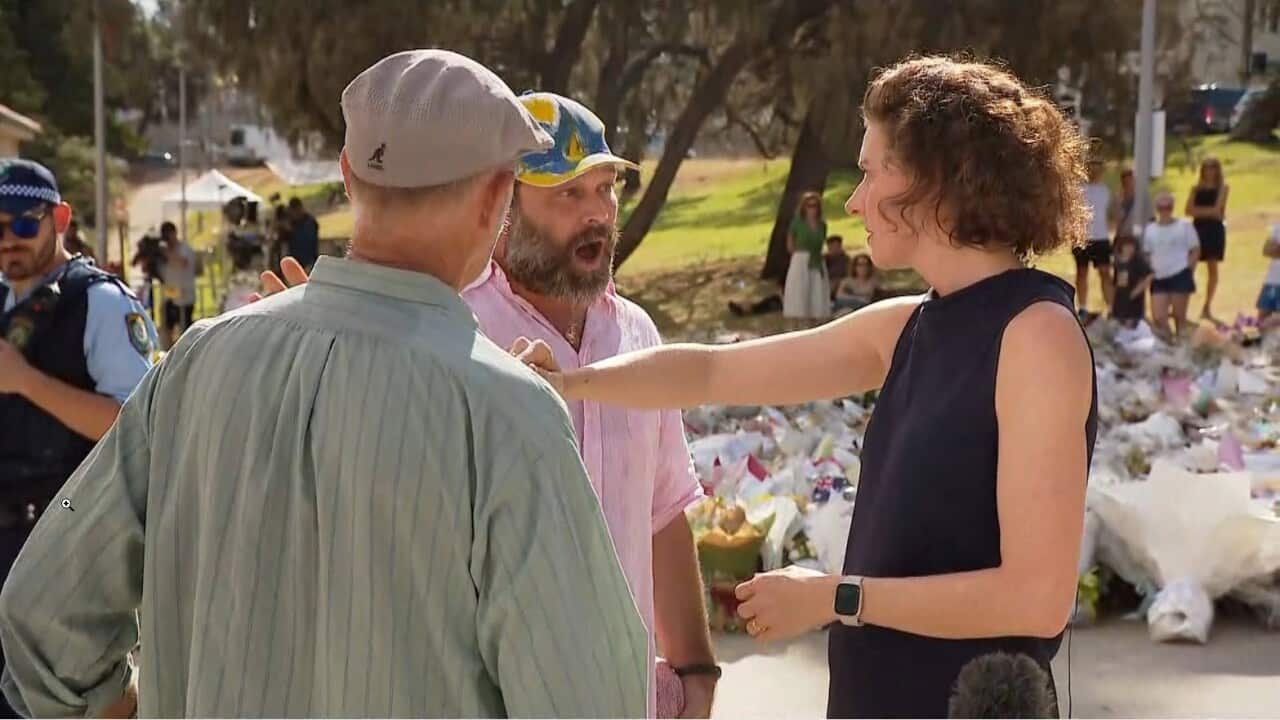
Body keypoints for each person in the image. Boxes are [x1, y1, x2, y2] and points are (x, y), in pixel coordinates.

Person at [0, 50, 647, 718]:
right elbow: (595, 698)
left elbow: (41, 612)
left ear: (348, 175)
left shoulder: (196, 364)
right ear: (495, 198)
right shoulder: (510, 415)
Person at [514, 55, 1097, 718]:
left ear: (933, 182)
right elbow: (710, 371)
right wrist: (570, 383)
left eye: (873, 171)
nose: (853, 198)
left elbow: (1037, 597)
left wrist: (835, 598)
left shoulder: (1036, 336)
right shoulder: (908, 326)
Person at [256, 91, 718, 719]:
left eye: (605, 189)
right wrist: (332, 369)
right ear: (503, 206)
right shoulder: (448, 326)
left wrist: (697, 678)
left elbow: (664, 515)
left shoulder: (637, 334)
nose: (597, 215)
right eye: (568, 194)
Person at [0, 158, 158, 718]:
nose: (9, 240)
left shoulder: (99, 303)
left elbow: (141, 427)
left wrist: (26, 381)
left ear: (59, 218)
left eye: (23, 224)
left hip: (61, 537)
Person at [1143, 192, 1200, 342]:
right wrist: (1151, 268)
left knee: (1179, 316)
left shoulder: (1184, 226)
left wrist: (1188, 269)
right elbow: (1147, 251)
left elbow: (1195, 249)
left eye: (1168, 207)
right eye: (1161, 207)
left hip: (1179, 273)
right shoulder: (1150, 229)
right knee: (1159, 316)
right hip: (1159, 276)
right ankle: (1169, 343)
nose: (1165, 210)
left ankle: (1183, 345)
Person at [1185, 156, 1229, 323]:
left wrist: (1200, 211)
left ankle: (1207, 307)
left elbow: (1218, 209)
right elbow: (1188, 210)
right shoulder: (1195, 189)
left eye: (1213, 167)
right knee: (1189, 268)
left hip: (1214, 231)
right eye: (1207, 168)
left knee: (1212, 269)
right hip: (1197, 230)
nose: (1210, 171)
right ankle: (1184, 305)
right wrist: (1209, 212)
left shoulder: (1222, 188)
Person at [1073, 158, 1115, 319]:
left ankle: (1111, 308)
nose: (1095, 172)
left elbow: (1110, 214)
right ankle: (1082, 307)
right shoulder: (1079, 189)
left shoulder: (1105, 191)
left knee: (1105, 273)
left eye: (1099, 169)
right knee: (1082, 272)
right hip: (1082, 237)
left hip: (1102, 237)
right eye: (1092, 168)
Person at [783, 191, 831, 327]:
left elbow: (822, 243)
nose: (812, 208)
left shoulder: (822, 225)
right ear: (803, 207)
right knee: (799, 292)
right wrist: (800, 258)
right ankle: (796, 327)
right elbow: (790, 245)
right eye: (809, 205)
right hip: (801, 259)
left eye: (815, 205)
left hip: (817, 260)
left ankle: (813, 324)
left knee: (816, 293)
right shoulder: (797, 223)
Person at [156, 220, 197, 346]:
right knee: (166, 326)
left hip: (185, 297)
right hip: (171, 295)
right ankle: (168, 351)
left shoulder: (184, 249)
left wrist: (167, 253)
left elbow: (183, 262)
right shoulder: (164, 252)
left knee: (185, 331)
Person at [1110, 235, 1153, 329]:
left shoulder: (1138, 262)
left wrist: (1136, 291)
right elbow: (1115, 282)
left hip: (1134, 301)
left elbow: (1149, 276)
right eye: (1126, 246)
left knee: (1132, 325)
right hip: (1120, 299)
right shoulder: (1119, 263)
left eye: (1131, 246)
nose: (1129, 249)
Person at [1256, 223, 1280, 330]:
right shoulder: (1278, 227)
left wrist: (1276, 249)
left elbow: (1272, 250)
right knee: (1261, 320)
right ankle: (1252, 343)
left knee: (1274, 321)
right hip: (1272, 281)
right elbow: (1266, 250)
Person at [286, 197, 319, 271]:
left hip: (309, 262)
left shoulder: (309, 222)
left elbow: (308, 242)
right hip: (296, 262)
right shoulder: (292, 223)